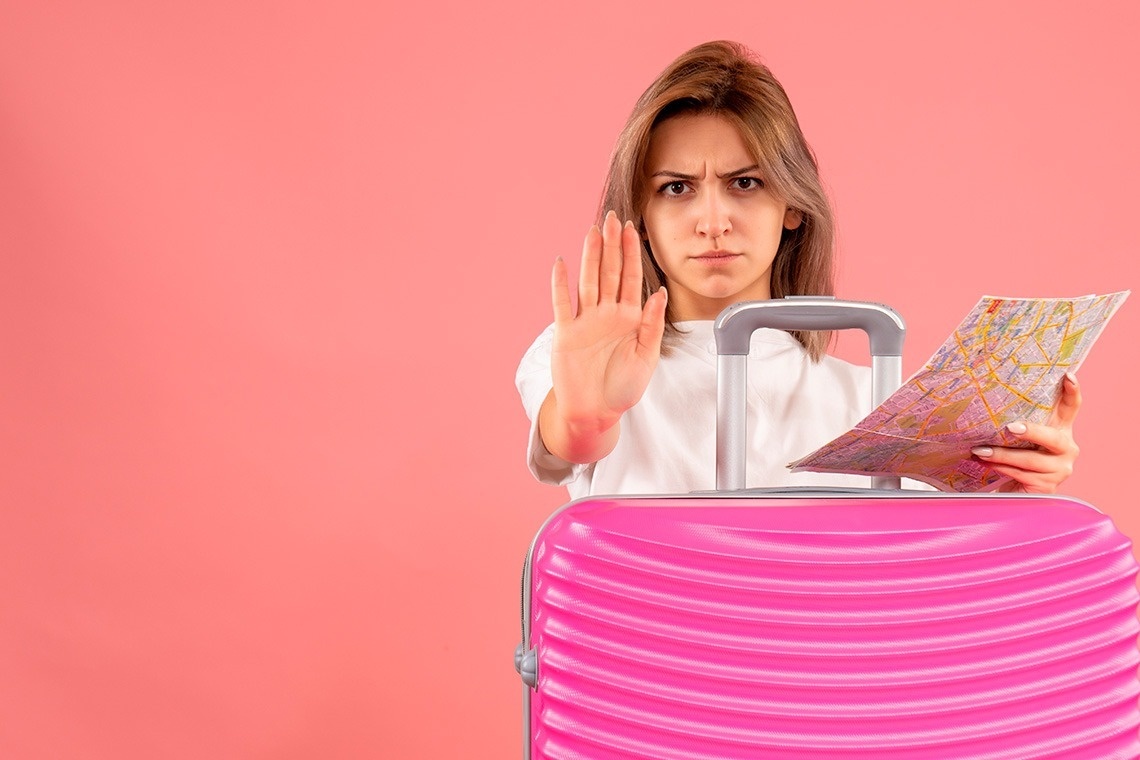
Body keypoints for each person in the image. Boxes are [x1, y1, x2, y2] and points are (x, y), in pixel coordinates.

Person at [516, 40, 1080, 500]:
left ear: (791, 203)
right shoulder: (584, 357)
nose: (712, 222)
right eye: (676, 188)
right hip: (643, 639)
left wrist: (1010, 479)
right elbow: (567, 444)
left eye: (745, 183)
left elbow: (928, 566)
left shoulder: (877, 404)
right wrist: (586, 418)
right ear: (641, 215)